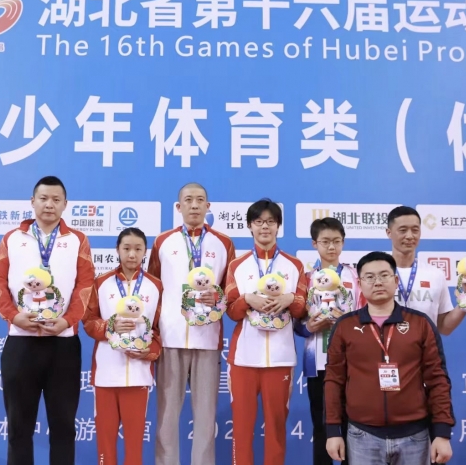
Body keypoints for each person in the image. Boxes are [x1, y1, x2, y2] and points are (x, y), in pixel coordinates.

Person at [0, 175, 95, 465]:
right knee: (18, 428)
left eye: (56, 200)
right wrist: (14, 316)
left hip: (63, 344)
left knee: (63, 428)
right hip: (21, 342)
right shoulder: (13, 238)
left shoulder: (77, 240)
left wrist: (68, 321)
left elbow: (86, 284)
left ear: (65, 204)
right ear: (32, 201)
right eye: (44, 198)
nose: (49, 204)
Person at [325, 251, 454, 465]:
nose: (377, 282)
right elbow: (333, 380)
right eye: (369, 277)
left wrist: (442, 432)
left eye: (384, 275)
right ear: (360, 283)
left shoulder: (420, 323)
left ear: (395, 281)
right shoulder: (345, 326)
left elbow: (437, 379)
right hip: (361, 435)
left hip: (415, 435)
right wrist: (332, 431)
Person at [148, 183, 235, 465]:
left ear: (208, 207)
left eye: (200, 200)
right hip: (170, 338)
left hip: (208, 339)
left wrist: (218, 297)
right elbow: (152, 288)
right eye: (188, 200)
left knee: (206, 418)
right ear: (178, 206)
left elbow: (230, 292)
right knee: (166, 417)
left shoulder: (223, 243)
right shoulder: (163, 242)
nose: (194, 205)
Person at [225, 198, 308, 465]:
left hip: (281, 359)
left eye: (270, 222)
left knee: (276, 428)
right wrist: (247, 299)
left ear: (278, 226)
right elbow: (230, 311)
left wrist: (290, 299)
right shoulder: (237, 265)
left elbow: (302, 309)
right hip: (244, 358)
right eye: (259, 221)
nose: (265, 227)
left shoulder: (294, 265)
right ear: (250, 226)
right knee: (241, 428)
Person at [83, 227, 162, 465]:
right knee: (106, 442)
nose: (132, 254)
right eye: (126, 248)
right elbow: (88, 322)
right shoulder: (100, 283)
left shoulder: (156, 286)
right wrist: (110, 326)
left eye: (138, 249)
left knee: (134, 445)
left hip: (138, 376)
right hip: (106, 375)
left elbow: (159, 329)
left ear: (145, 252)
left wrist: (151, 351)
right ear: (117, 250)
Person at [294, 217, 360, 465]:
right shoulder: (306, 279)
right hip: (318, 361)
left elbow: (366, 314)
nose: (331, 247)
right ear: (314, 244)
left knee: (352, 425)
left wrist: (347, 321)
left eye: (336, 241)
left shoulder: (355, 276)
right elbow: (296, 325)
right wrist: (309, 327)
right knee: (321, 425)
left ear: (343, 242)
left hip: (353, 362)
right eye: (325, 242)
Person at [386, 206, 465, 335]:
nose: (410, 236)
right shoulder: (374, 273)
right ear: (389, 233)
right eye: (403, 230)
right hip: (383, 346)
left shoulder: (435, 275)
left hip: (425, 347)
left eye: (415, 230)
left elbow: (444, 328)